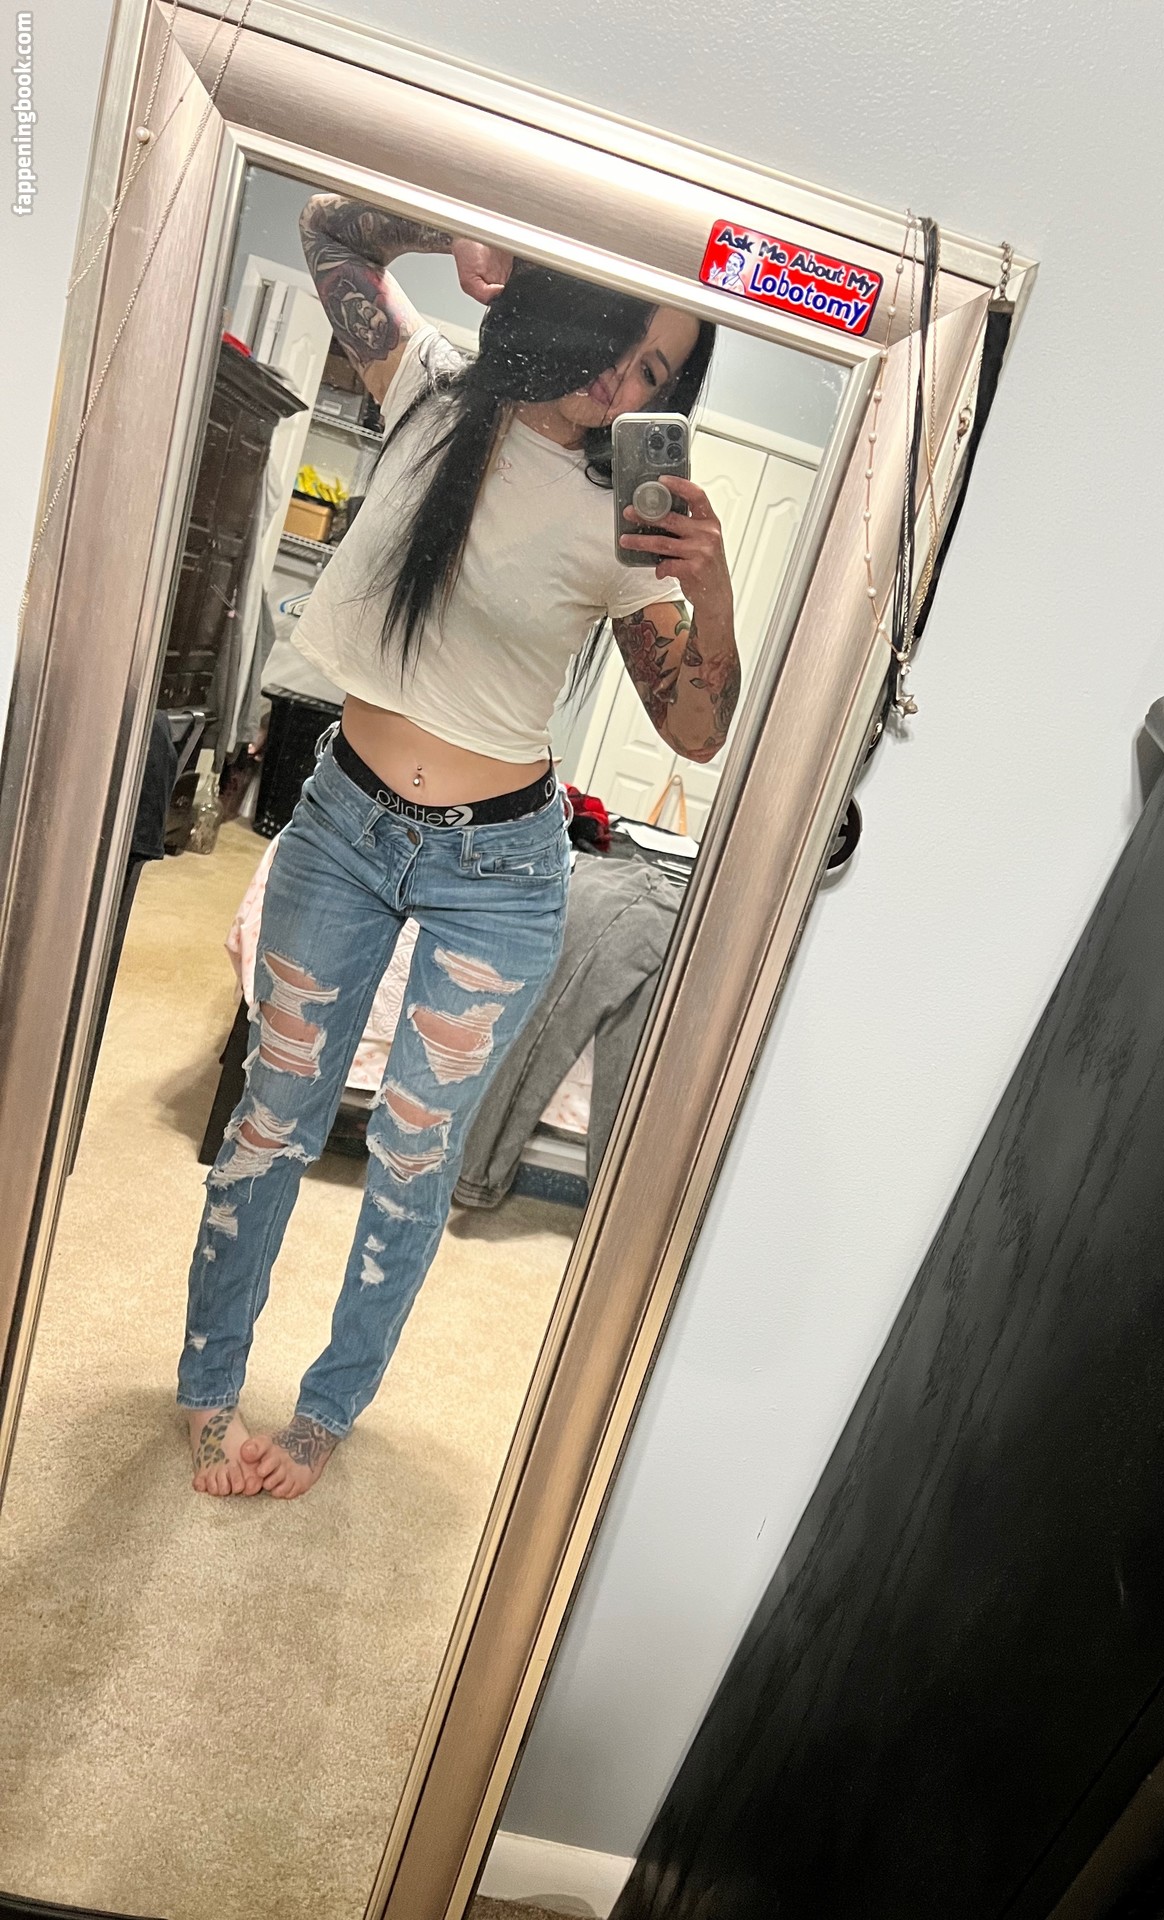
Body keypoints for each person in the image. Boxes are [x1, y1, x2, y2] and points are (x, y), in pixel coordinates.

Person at [178, 196, 738, 1499]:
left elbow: (697, 730)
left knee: (415, 1160)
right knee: (271, 1120)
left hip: (501, 874)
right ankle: (208, 1387)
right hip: (342, 826)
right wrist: (471, 229)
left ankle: (326, 1415)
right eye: (620, 342)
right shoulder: (430, 387)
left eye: (657, 373)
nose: (623, 383)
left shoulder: (627, 525)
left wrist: (707, 587)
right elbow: (331, 231)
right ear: (570, 303)